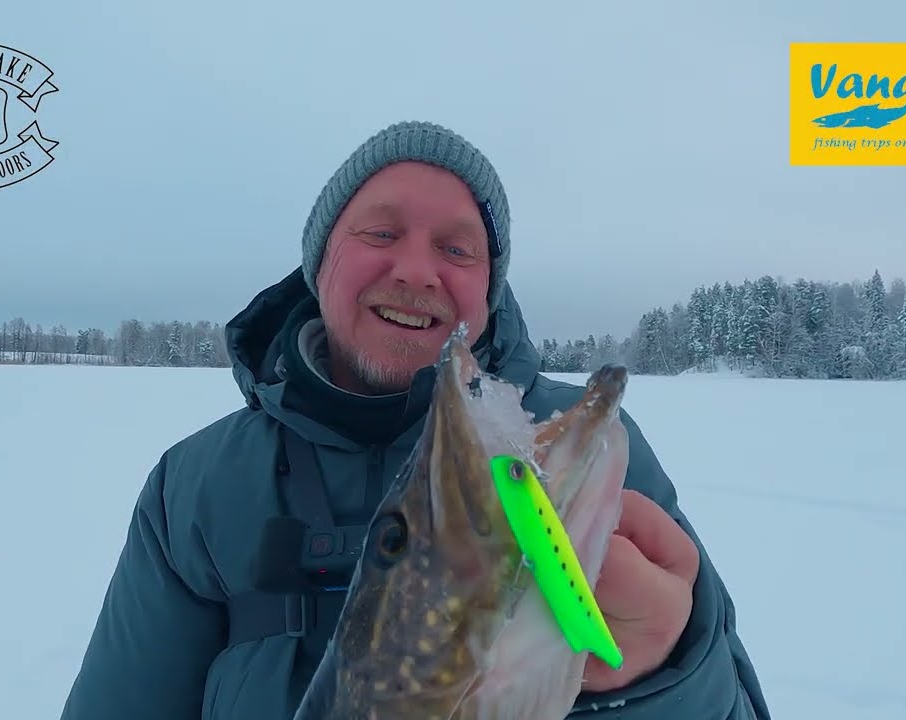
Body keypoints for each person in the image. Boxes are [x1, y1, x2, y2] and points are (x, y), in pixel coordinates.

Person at [59, 120, 770, 719]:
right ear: (320, 264)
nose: (417, 271)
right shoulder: (194, 487)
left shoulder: (607, 465)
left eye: (458, 249)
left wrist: (666, 671)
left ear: (488, 290)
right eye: (380, 232)